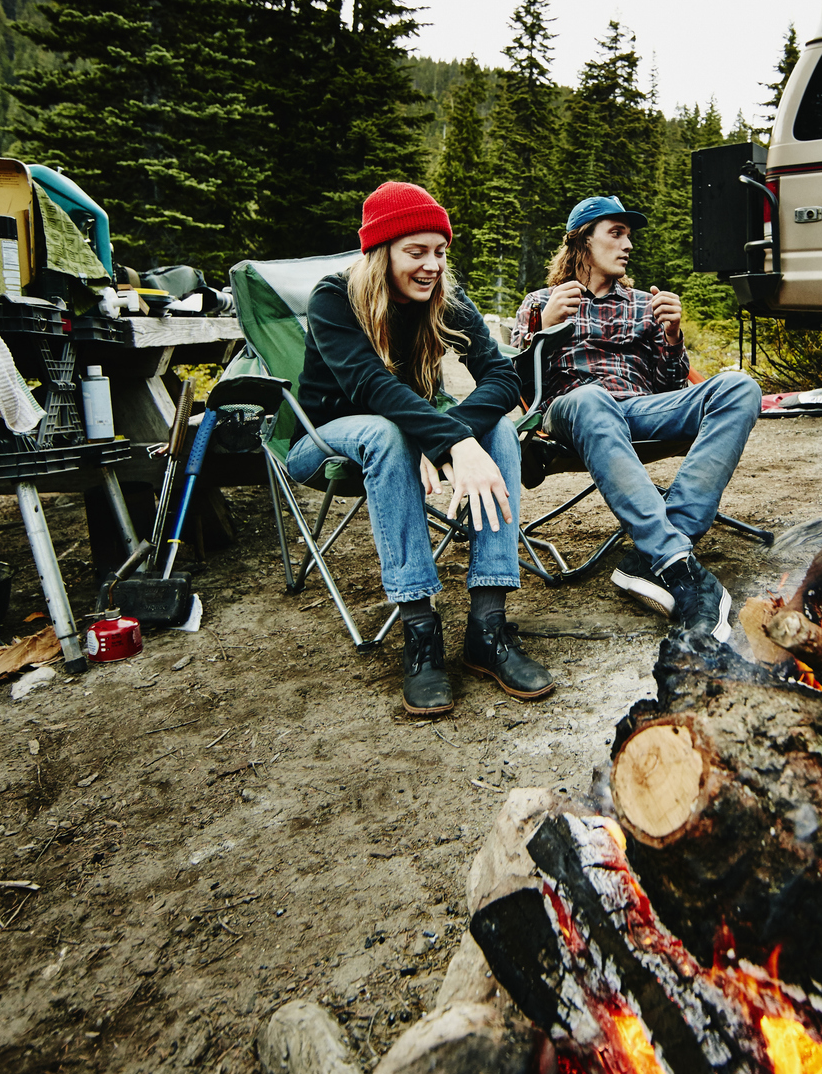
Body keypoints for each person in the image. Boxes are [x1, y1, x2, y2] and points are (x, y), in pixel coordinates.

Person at [291, 182, 554, 715]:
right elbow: (370, 388)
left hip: (413, 425)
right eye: (416, 252)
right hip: (322, 440)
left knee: (499, 431)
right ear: (379, 253)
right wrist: (451, 439)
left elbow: (502, 378)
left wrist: (454, 433)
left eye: (440, 251)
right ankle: (419, 631)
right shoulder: (333, 297)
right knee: (389, 433)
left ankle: (488, 625)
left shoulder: (444, 298)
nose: (432, 265)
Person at [512, 195, 762, 641]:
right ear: (582, 242)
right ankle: (676, 565)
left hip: (640, 409)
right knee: (592, 398)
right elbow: (521, 390)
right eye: (616, 233)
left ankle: (659, 552)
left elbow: (671, 386)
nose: (628, 244)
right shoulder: (542, 300)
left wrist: (671, 334)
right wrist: (542, 330)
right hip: (574, 410)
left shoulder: (643, 305)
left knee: (739, 386)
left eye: (629, 235)